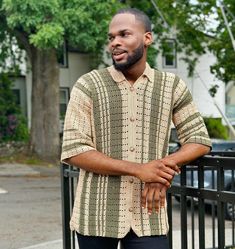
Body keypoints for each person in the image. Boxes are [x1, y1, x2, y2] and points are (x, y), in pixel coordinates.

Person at [61, 8, 211, 249]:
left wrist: (160, 171)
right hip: (97, 214)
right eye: (111, 37)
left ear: (147, 38)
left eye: (124, 35)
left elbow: (199, 139)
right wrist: (140, 170)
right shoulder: (88, 84)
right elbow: (73, 149)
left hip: (148, 215)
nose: (115, 43)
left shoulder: (172, 86)